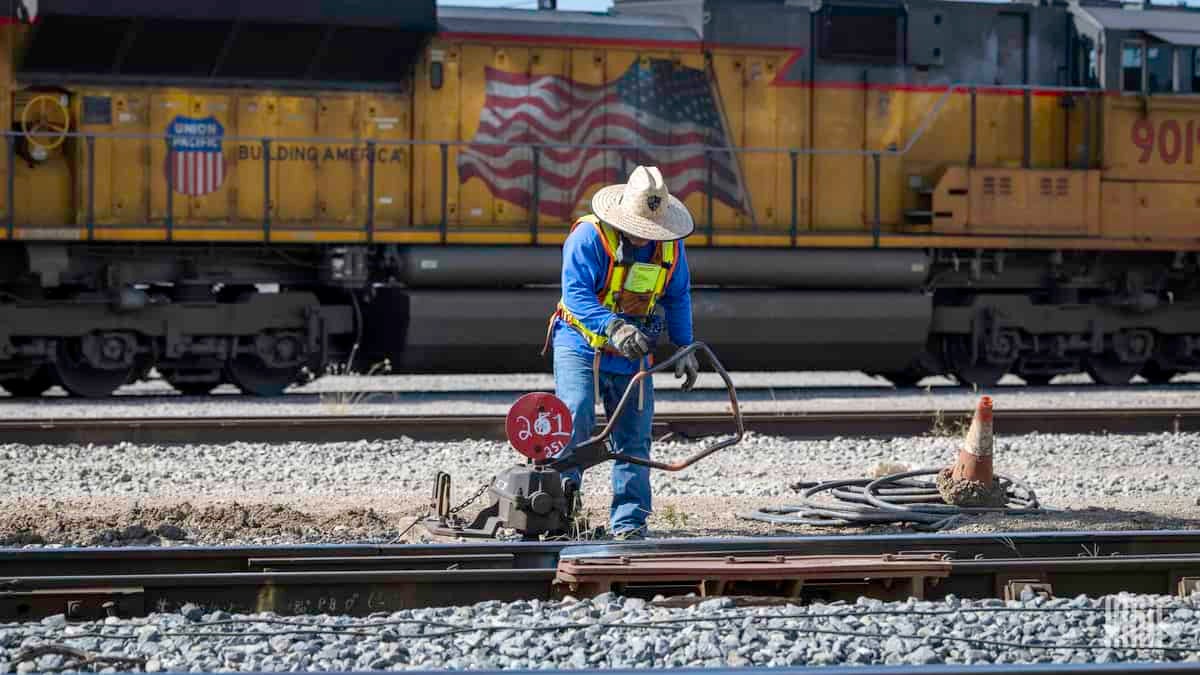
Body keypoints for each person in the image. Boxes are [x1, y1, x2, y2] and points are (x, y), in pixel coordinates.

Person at [541, 165, 700, 541]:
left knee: (634, 435)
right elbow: (576, 294)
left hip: (633, 351)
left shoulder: (670, 247)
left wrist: (684, 346)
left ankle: (630, 523)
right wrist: (613, 326)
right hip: (581, 344)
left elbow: (678, 297)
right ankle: (560, 513)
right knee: (575, 419)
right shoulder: (588, 238)